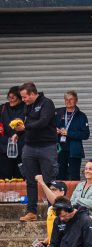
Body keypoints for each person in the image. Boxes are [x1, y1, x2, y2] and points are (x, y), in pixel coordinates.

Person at [14, 82, 58, 222]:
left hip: (47, 147)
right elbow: (26, 125)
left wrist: (25, 128)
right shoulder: (27, 106)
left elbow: (43, 122)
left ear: (33, 94)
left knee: (49, 180)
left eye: (25, 97)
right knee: (30, 180)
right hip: (29, 147)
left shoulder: (47, 103)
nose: (23, 100)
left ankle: (53, 211)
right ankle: (31, 212)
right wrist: (18, 133)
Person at [55, 91, 90, 181]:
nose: (68, 101)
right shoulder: (57, 113)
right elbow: (48, 126)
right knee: (59, 175)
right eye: (66, 99)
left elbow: (86, 134)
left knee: (74, 176)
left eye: (71, 99)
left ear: (76, 101)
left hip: (74, 151)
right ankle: (59, 190)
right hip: (59, 150)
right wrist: (54, 131)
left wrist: (69, 133)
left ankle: (75, 190)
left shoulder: (81, 116)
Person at [0, 86, 24, 179]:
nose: (10, 100)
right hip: (4, 148)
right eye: (9, 97)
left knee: (20, 177)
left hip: (21, 148)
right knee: (4, 177)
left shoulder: (26, 107)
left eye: (13, 98)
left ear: (20, 98)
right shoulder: (3, 108)